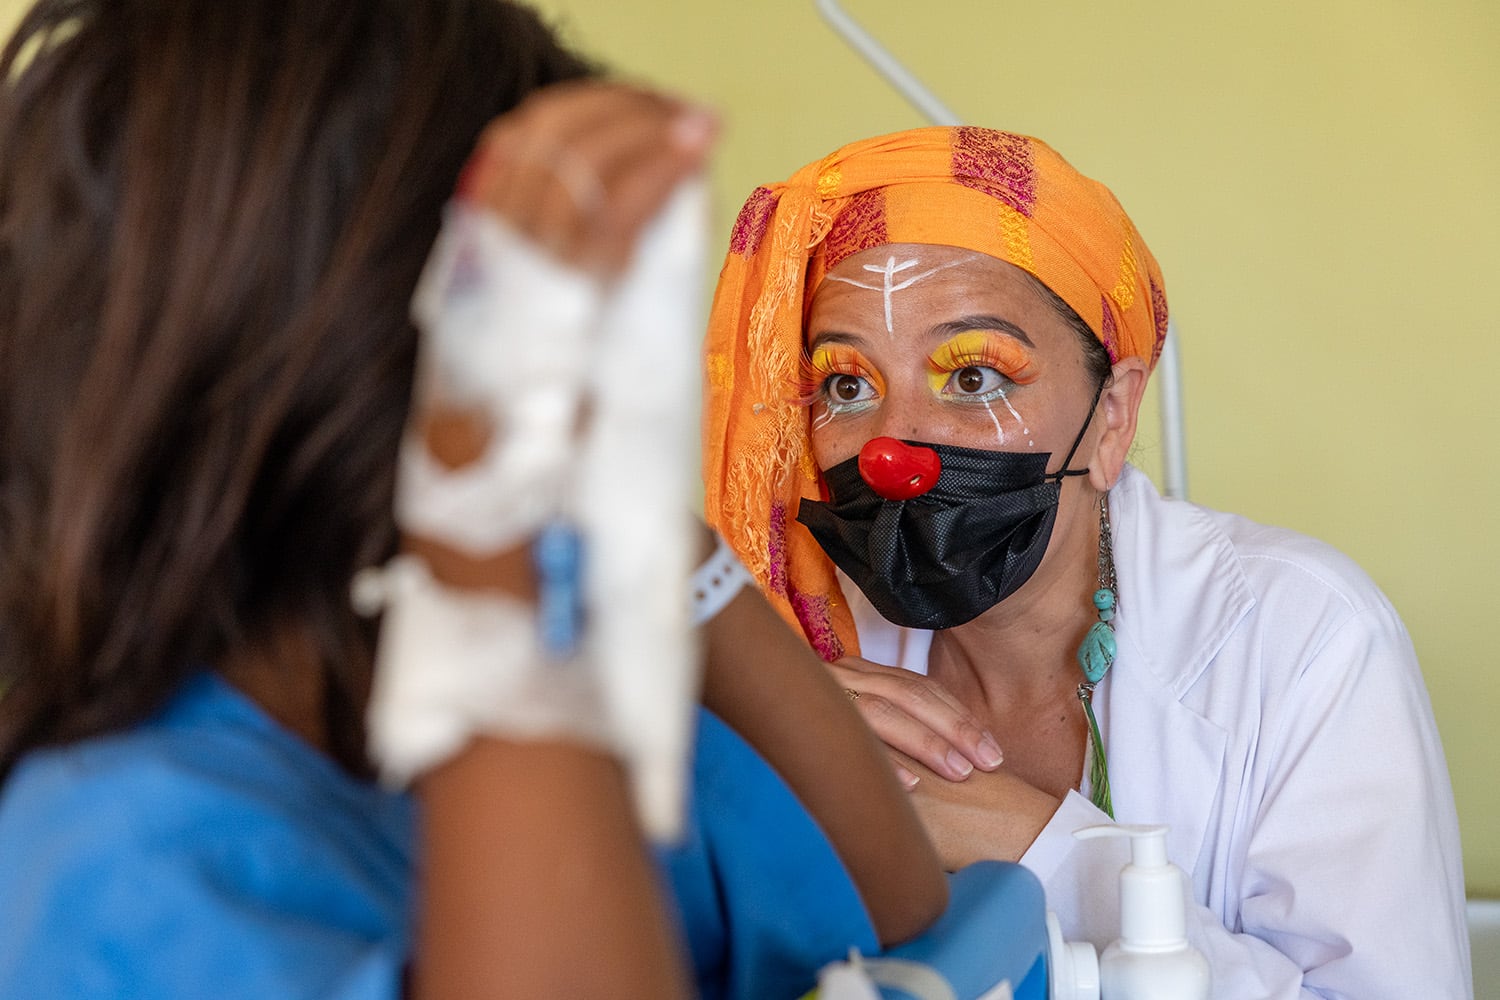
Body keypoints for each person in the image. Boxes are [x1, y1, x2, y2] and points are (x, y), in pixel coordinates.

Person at [0, 3, 945, 997]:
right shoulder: (117, 865)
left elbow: (889, 909)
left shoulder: (489, 693)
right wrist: (489, 498)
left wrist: (631, 527)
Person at [702, 126, 1472, 997]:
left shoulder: (1307, 639)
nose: (892, 449)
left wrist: (1041, 848)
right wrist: (738, 741)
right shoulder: (788, 633)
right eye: (847, 384)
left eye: (973, 376)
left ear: (1113, 416)